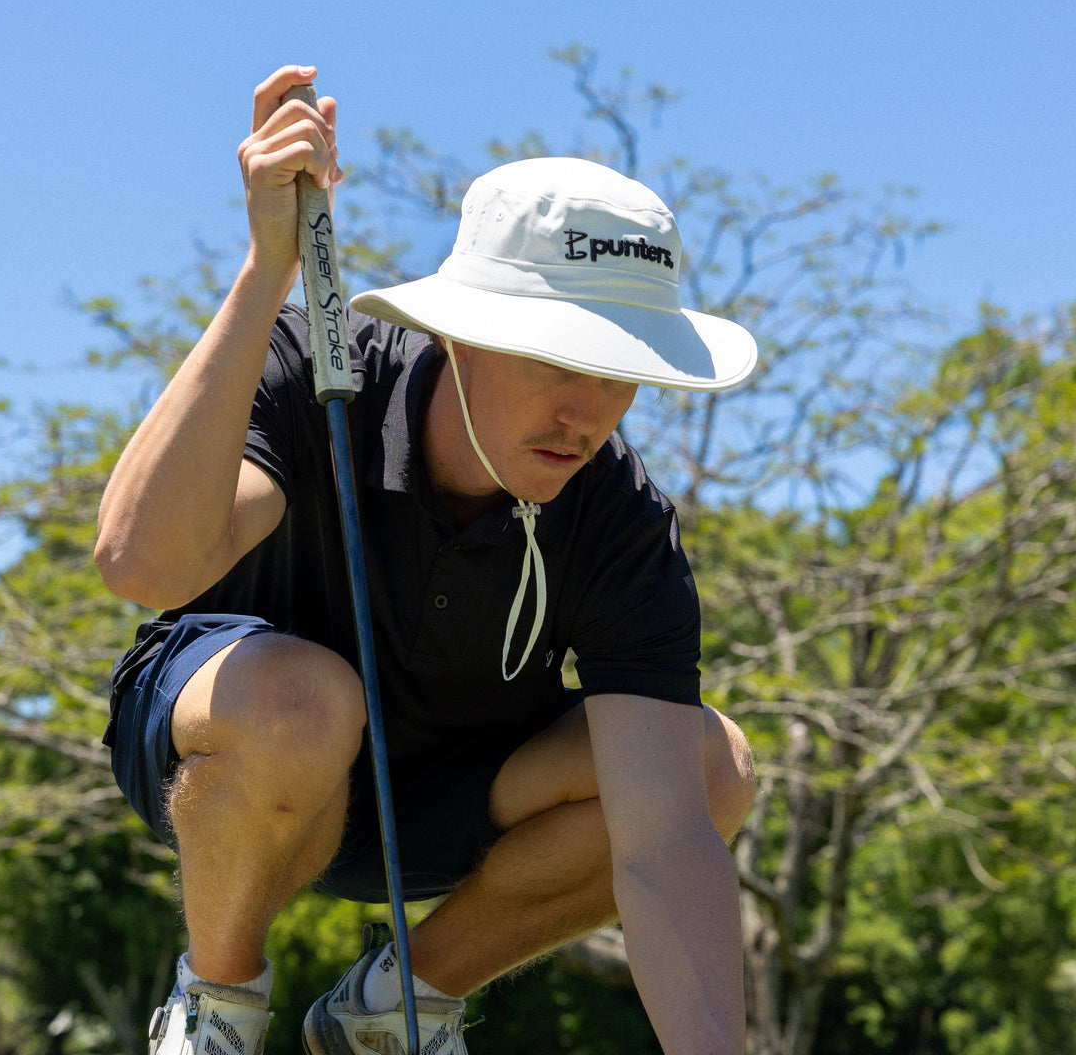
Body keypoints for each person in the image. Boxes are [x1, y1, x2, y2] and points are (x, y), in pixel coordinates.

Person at [95, 64, 760, 1055]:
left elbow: (665, 843)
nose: (588, 414)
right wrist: (263, 274)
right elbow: (141, 563)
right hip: (250, 753)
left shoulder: (619, 524)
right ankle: (218, 1005)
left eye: (619, 375)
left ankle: (394, 1010)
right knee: (303, 701)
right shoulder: (316, 373)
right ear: (460, 334)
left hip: (452, 804)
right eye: (558, 361)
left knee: (713, 767)